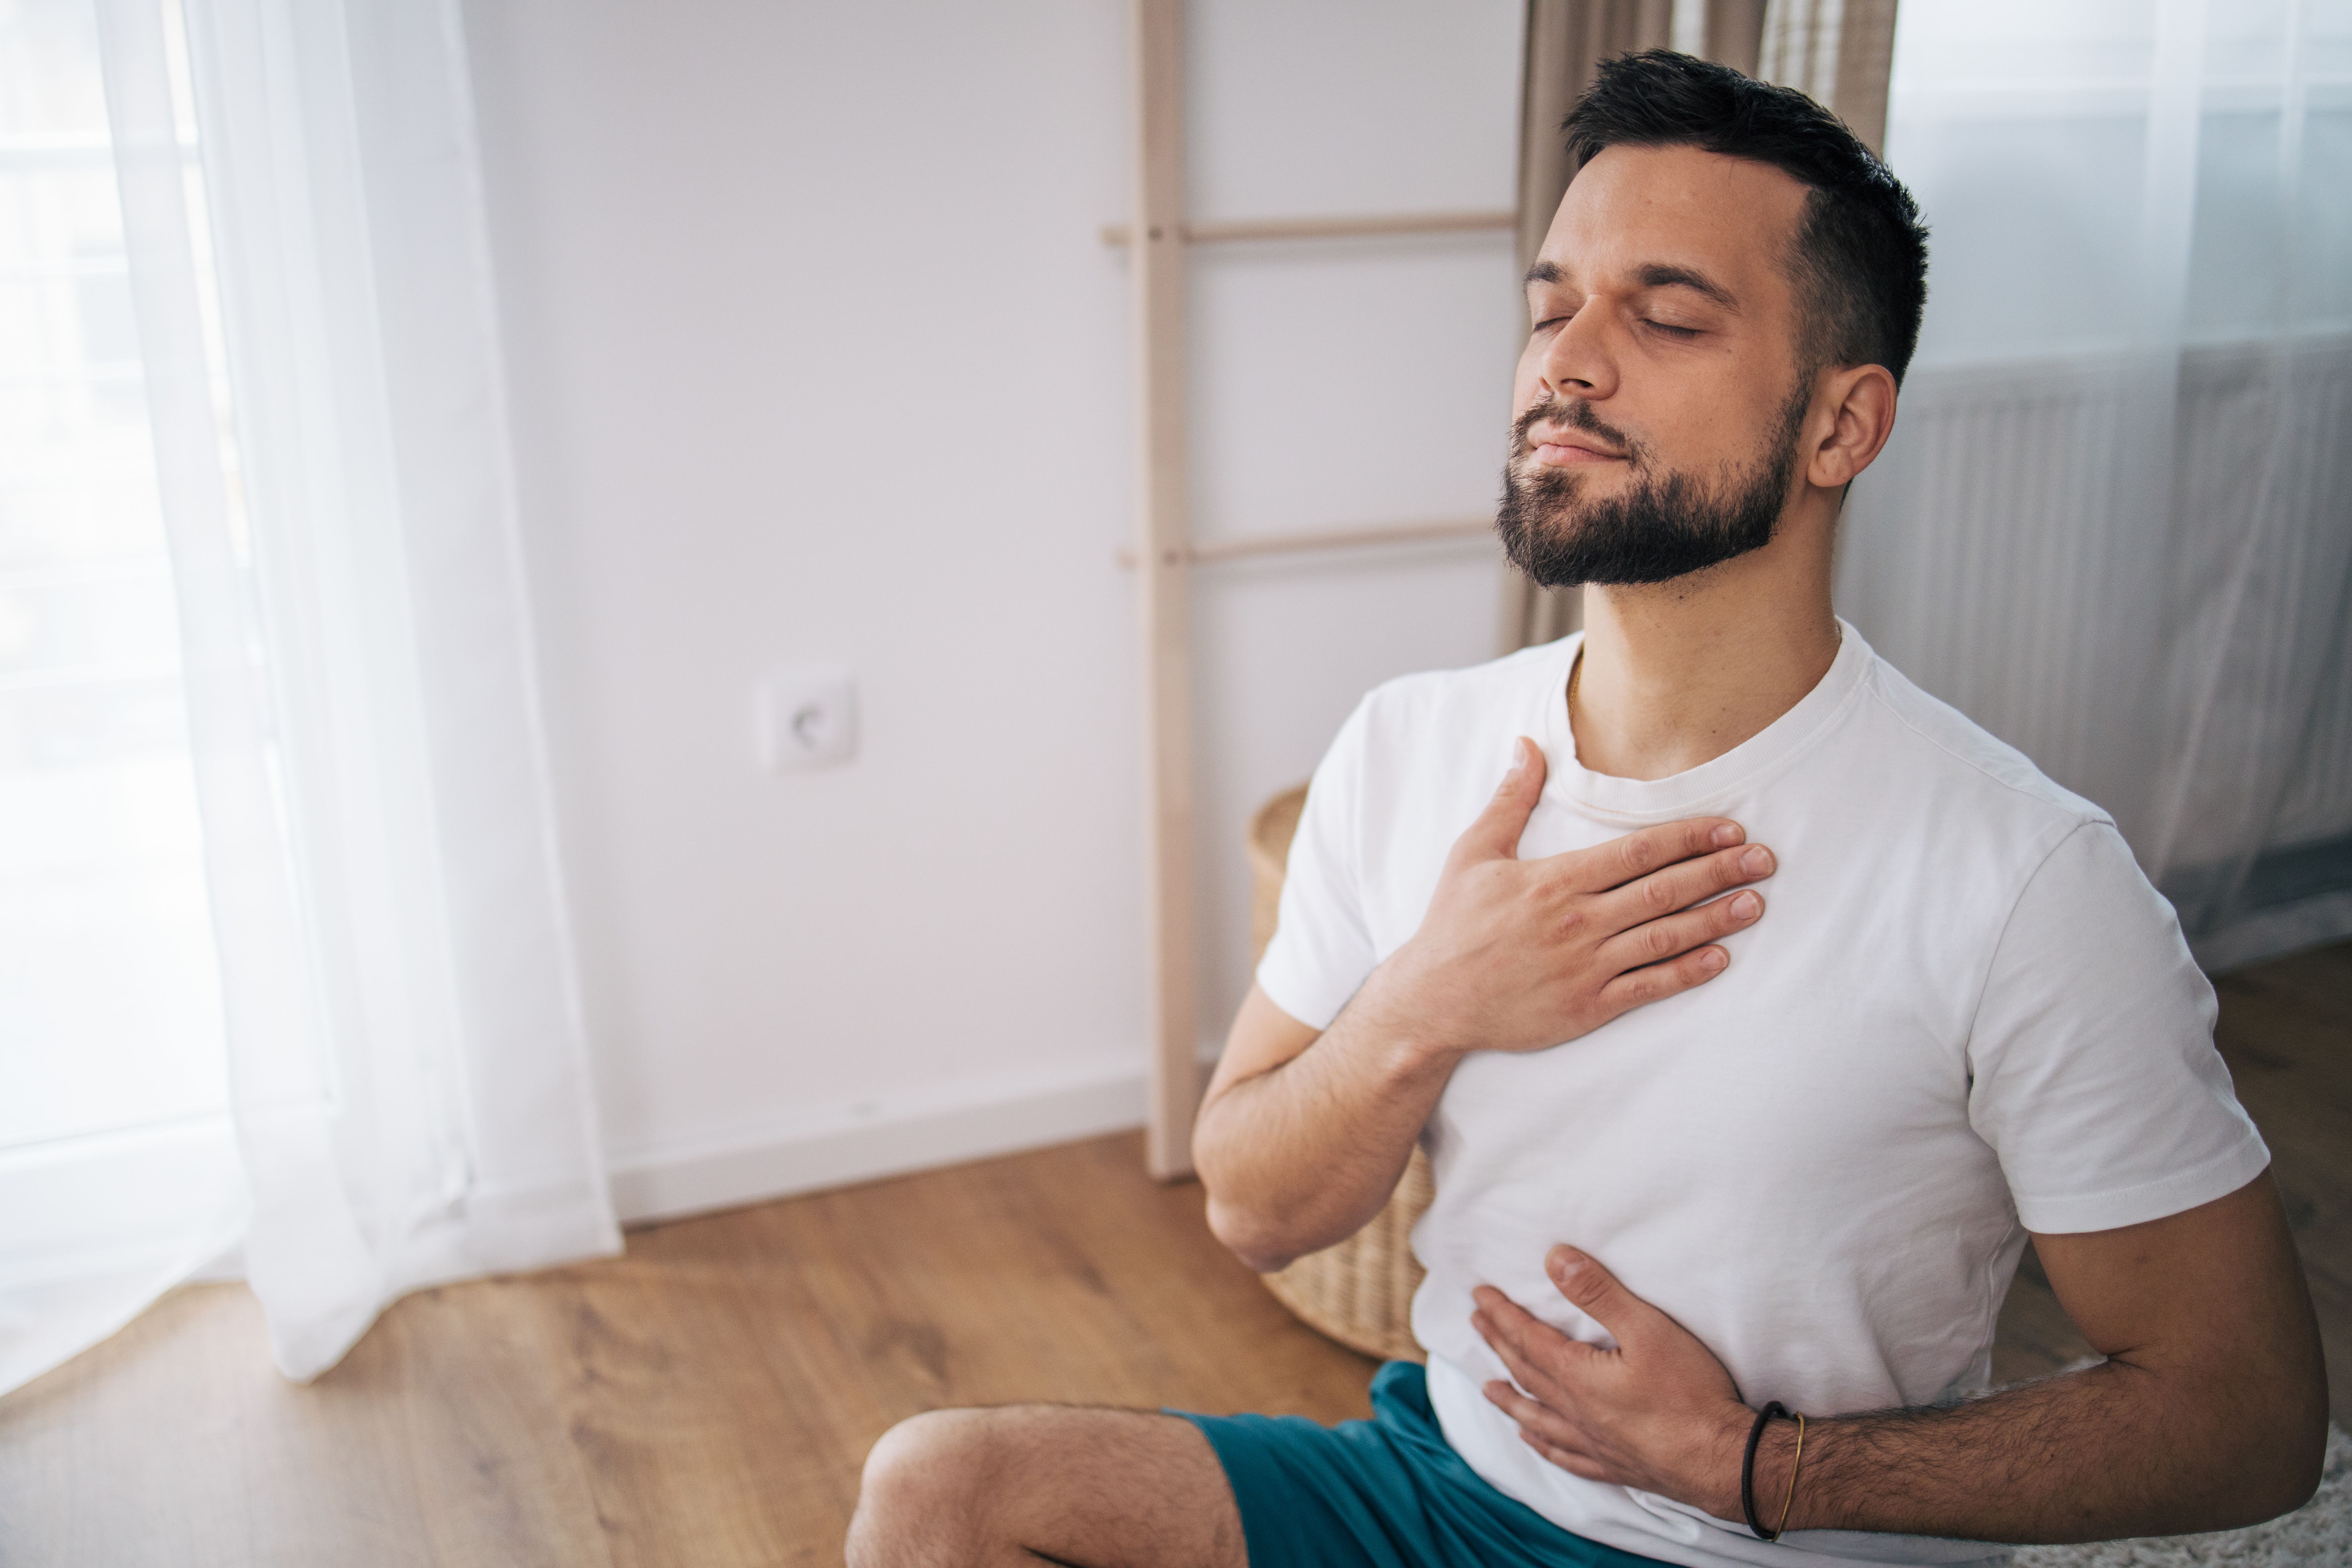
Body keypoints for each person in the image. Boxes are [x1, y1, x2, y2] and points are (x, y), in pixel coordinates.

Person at [845, 50, 2327, 1568]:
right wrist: (1427, 1002)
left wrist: (1759, 1466)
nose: (1569, 360)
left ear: (1842, 427)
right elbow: (1254, 1208)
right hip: (1440, 1487)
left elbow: (2249, 1419)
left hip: (1762, 1542)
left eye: (1666, 317)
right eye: (1553, 306)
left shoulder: (2023, 879)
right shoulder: (1410, 746)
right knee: (938, 1490)